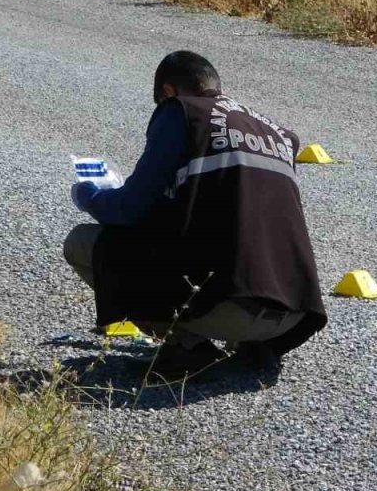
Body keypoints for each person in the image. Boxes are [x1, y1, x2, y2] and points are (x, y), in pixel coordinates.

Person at [64, 51, 326, 379]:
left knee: (81, 243)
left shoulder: (182, 112)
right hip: (292, 315)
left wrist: (88, 194)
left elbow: (129, 209)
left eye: (160, 100)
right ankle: (253, 349)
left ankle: (186, 347)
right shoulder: (279, 134)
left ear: (170, 92)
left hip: (230, 308)